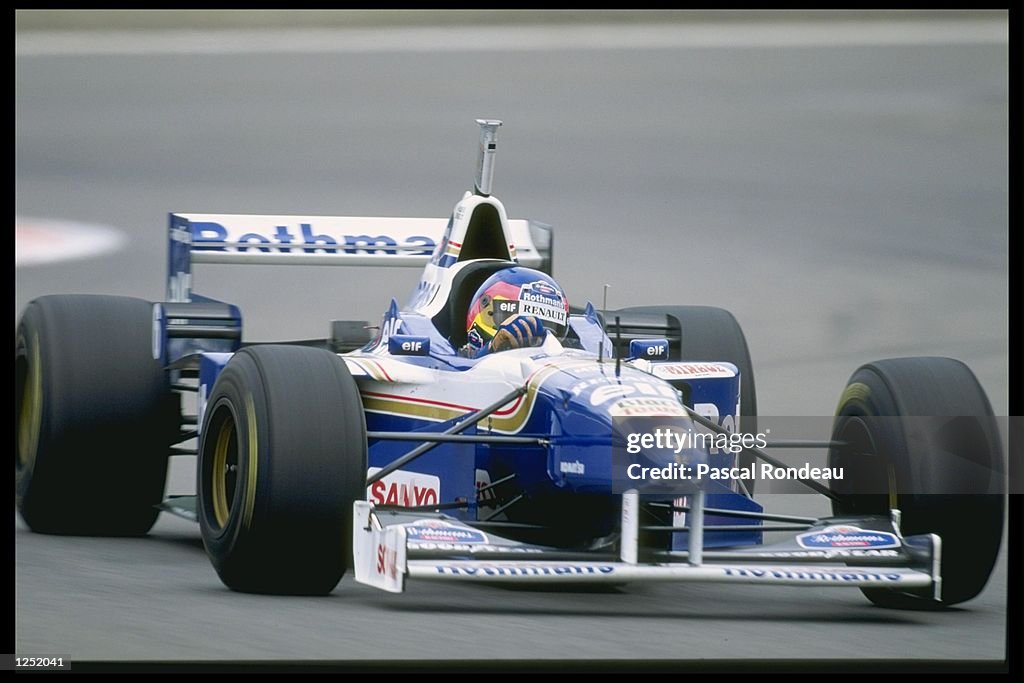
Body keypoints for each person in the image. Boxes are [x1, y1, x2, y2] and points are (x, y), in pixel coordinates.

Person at [461, 267, 570, 358]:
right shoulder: (452, 362)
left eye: (546, 326)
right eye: (511, 317)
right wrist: (492, 347)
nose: (533, 334)